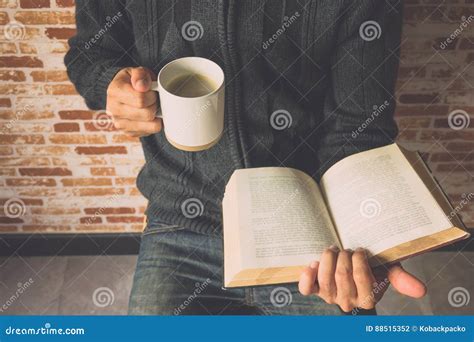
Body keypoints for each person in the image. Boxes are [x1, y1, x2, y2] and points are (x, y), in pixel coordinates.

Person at [65, 0, 426, 315]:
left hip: (307, 226)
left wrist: (366, 229)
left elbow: (359, 126)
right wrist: (108, 84)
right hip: (181, 219)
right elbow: (89, 54)